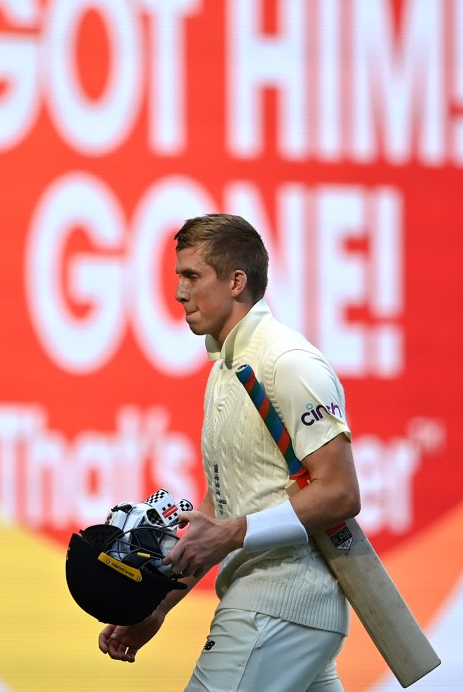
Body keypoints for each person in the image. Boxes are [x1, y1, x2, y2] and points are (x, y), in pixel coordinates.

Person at [99, 214, 361, 691]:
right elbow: (220, 510)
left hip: (278, 603)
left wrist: (233, 531)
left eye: (192, 276)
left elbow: (341, 493)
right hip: (281, 607)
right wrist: (158, 606)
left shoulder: (287, 362)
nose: (179, 292)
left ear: (236, 281)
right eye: (178, 276)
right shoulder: (227, 368)